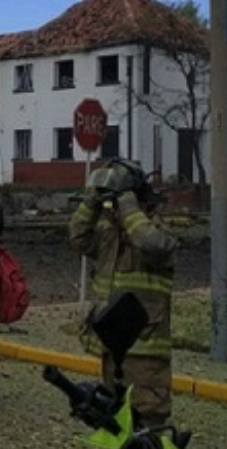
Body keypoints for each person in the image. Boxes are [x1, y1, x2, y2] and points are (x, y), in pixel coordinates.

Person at [69, 158, 177, 428]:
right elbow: (77, 237)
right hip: (112, 346)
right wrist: (92, 201)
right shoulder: (110, 233)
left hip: (145, 349)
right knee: (113, 419)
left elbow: (151, 244)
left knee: (147, 422)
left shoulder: (161, 232)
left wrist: (128, 206)